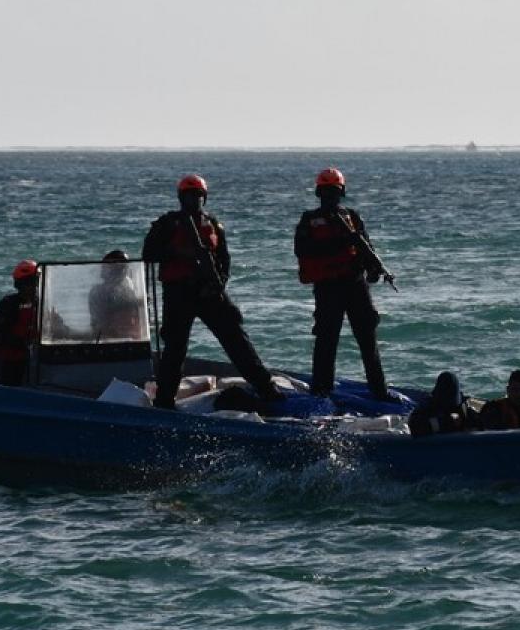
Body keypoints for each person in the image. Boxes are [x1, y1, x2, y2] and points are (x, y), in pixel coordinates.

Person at [142, 174, 282, 410]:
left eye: (197, 195)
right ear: (180, 198)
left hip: (208, 292)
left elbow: (224, 260)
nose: (193, 200)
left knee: (237, 340)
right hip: (178, 293)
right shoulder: (168, 224)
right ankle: (164, 401)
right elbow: (149, 254)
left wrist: (219, 283)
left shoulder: (213, 224)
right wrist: (182, 254)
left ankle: (266, 388)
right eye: (188, 195)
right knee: (175, 349)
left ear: (204, 197)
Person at [294, 167, 390, 400]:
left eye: (334, 192)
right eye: (326, 192)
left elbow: (366, 246)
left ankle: (379, 390)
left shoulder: (352, 217)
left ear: (341, 193)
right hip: (328, 287)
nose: (330, 197)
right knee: (327, 340)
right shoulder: (309, 220)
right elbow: (303, 250)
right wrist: (340, 242)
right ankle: (321, 391)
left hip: (355, 285)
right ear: (319, 193)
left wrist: (373, 269)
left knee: (368, 338)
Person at [0, 259, 39, 387]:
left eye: (36, 282)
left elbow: (56, 325)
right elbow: (2, 335)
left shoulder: (43, 304)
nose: (33, 287)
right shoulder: (6, 305)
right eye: (29, 283)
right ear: (19, 285)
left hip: (40, 355)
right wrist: (24, 343)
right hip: (14, 360)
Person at [88, 249, 144, 341]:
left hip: (127, 334)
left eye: (125, 267)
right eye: (122, 267)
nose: (125, 270)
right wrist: (138, 302)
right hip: (106, 335)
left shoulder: (127, 284)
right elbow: (115, 305)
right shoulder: (98, 291)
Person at [409, 370, 478, 437]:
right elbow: (415, 426)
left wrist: (468, 422)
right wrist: (448, 421)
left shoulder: (466, 406)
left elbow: (485, 413)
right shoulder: (428, 406)